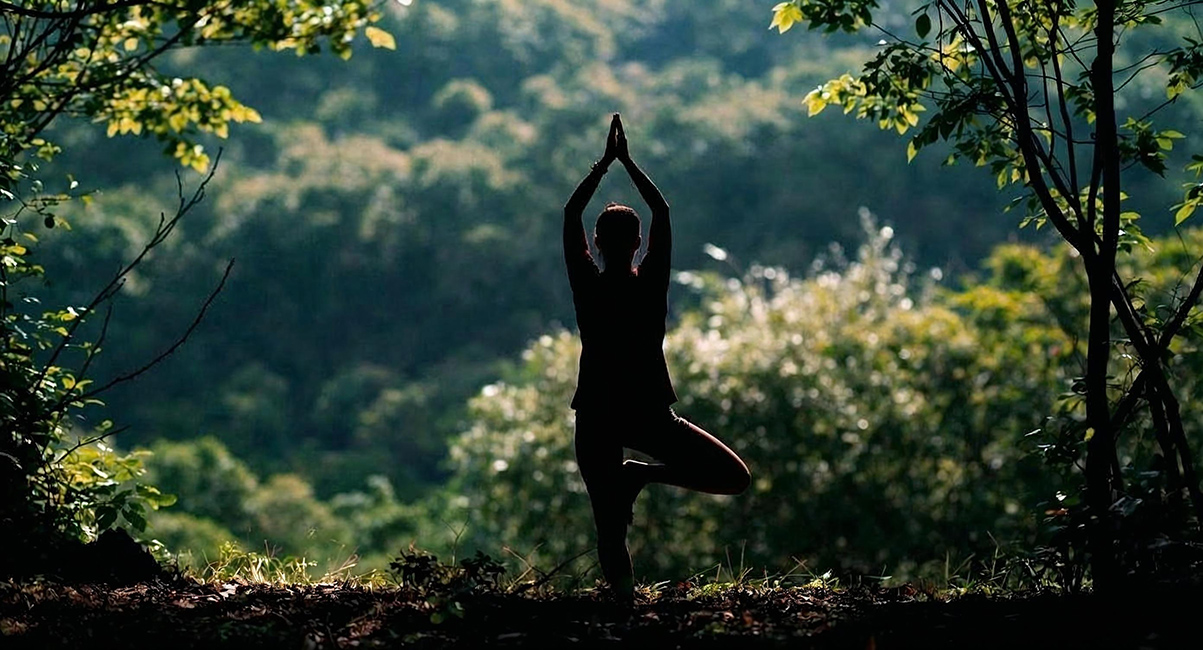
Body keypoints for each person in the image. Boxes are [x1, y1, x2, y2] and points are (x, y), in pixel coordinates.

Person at [563, 114, 751, 597]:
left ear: (597, 244)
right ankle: (643, 476)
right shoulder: (650, 287)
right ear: (640, 243)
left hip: (598, 416)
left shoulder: (588, 286)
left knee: (609, 526)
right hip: (647, 413)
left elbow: (570, 216)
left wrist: (603, 165)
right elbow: (662, 211)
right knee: (733, 477)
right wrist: (627, 161)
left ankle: (624, 603)